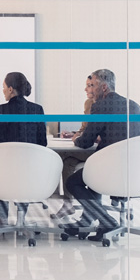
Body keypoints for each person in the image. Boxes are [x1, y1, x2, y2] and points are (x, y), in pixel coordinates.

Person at [63, 69, 140, 241]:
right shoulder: (134, 105)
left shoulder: (101, 106)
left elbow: (86, 142)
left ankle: (107, 221)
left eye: (92, 85)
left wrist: (77, 138)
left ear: (104, 87)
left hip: (112, 169)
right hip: (135, 171)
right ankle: (87, 222)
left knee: (73, 182)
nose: (89, 90)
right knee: (93, 177)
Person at [0, 72, 47, 225]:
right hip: (30, 172)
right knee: (23, 173)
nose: (2, 91)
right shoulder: (37, 110)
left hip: (4, 172)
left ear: (10, 89)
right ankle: (21, 219)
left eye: (3, 88)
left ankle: (3, 219)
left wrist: (1, 143)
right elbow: (42, 143)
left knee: (0, 169)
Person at [51, 75, 96, 219]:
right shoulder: (88, 103)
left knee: (64, 155)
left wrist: (82, 137)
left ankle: (91, 206)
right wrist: (75, 133)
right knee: (68, 161)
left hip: (99, 151)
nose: (86, 89)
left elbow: (96, 133)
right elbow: (85, 128)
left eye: (90, 85)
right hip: (88, 146)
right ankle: (68, 204)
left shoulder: (102, 106)